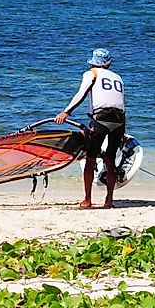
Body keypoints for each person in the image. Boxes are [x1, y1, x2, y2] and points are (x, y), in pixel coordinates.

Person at [55, 48, 125, 209]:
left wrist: (66, 112)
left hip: (101, 118)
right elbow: (121, 103)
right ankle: (109, 201)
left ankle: (87, 200)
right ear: (109, 63)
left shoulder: (91, 73)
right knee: (110, 160)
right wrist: (123, 130)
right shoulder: (118, 77)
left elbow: (81, 94)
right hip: (119, 120)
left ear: (93, 62)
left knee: (90, 158)